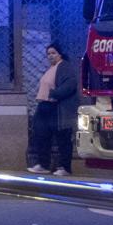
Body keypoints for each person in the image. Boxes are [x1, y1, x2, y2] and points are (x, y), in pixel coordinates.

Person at [27, 42, 78, 176]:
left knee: (62, 137)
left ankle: (65, 167)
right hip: (45, 105)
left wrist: (55, 93)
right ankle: (43, 165)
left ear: (60, 54)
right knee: (42, 135)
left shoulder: (64, 67)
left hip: (56, 106)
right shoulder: (51, 68)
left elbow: (70, 84)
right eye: (48, 54)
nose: (50, 56)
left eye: (53, 53)